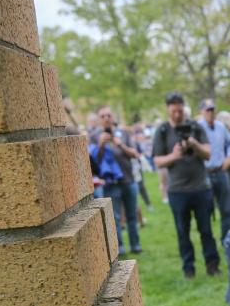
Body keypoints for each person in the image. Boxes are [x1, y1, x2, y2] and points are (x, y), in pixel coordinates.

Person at [152, 92, 219, 279]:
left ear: (184, 108)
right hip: (177, 191)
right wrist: (174, 156)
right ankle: (188, 268)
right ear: (168, 109)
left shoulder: (195, 127)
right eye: (173, 111)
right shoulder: (162, 131)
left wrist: (194, 144)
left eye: (180, 111)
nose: (177, 115)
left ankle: (212, 265)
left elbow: (208, 153)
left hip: (200, 188)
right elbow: (157, 160)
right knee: (183, 232)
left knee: (206, 229)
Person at [92, 106, 142, 255]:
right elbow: (93, 162)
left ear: (113, 117)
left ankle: (136, 245)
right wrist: (100, 145)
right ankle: (119, 247)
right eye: (103, 116)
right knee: (115, 218)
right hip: (110, 184)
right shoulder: (94, 136)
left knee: (132, 215)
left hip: (128, 181)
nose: (106, 118)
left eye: (109, 115)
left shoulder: (124, 133)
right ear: (99, 120)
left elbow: (135, 154)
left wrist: (120, 144)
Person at [198, 98, 230, 239]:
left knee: (226, 208)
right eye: (208, 110)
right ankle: (208, 240)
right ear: (202, 112)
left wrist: (229, 157)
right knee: (206, 209)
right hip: (204, 173)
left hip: (220, 170)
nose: (211, 113)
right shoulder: (198, 127)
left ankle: (227, 239)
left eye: (212, 110)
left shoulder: (221, 126)